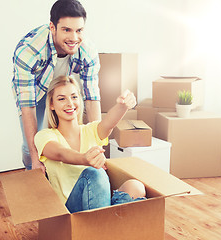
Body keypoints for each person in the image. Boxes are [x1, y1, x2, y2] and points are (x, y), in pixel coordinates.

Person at [12, 0, 101, 173]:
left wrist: (97, 151)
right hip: (35, 90)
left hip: (62, 87)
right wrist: (35, 159)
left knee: (66, 134)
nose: (74, 38)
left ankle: (62, 175)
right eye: (66, 29)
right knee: (31, 142)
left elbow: (92, 99)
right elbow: (27, 107)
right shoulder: (28, 51)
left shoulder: (87, 50)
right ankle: (31, 168)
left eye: (79, 30)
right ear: (52, 27)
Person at [34, 76, 146, 213]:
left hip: (98, 204)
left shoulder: (91, 130)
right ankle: (106, 225)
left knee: (135, 187)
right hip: (70, 210)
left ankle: (107, 224)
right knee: (95, 172)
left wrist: (123, 106)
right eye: (61, 99)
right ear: (51, 105)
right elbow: (60, 153)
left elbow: (110, 122)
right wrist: (84, 159)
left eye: (74, 97)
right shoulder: (44, 135)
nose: (70, 103)